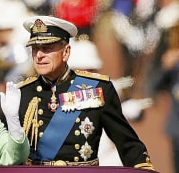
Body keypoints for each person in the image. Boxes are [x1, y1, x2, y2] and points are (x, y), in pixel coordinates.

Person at [17, 15, 154, 169]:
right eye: (35, 49)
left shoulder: (99, 89)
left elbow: (126, 142)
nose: (39, 55)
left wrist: (143, 168)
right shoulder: (22, 92)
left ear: (66, 52)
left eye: (47, 48)